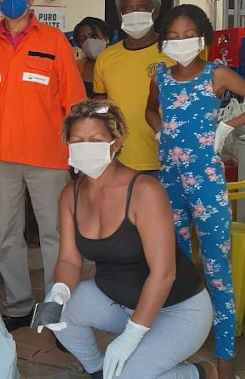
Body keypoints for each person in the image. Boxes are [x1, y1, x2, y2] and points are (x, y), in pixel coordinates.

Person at [44, 98, 214, 379]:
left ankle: (200, 373)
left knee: (127, 374)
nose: (86, 148)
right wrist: (58, 292)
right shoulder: (70, 195)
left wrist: (130, 338)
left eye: (95, 140)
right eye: (78, 141)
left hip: (178, 311)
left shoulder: (145, 191)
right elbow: (69, 259)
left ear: (116, 143)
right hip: (118, 303)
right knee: (60, 313)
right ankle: (98, 372)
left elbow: (164, 273)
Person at [0, 0, 86, 332]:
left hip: (48, 157)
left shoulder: (53, 42)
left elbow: (74, 101)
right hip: (0, 158)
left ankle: (56, 308)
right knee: (9, 236)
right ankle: (17, 307)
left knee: (54, 236)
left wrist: (78, 147)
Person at [145, 4, 245, 379]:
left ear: (202, 37)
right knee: (175, 268)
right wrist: (159, 131)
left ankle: (225, 363)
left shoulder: (215, 74)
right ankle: (178, 354)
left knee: (217, 271)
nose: (181, 41)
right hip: (169, 181)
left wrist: (227, 127)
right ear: (163, 40)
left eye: (189, 35)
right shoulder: (160, 76)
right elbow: (149, 111)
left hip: (207, 183)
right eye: (173, 35)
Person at [93, 0, 175, 176]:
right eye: (127, 9)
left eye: (141, 8)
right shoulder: (106, 57)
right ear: (120, 14)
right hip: (118, 160)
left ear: (155, 11)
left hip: (166, 159)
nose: (133, 14)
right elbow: (99, 105)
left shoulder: (173, 53)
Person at [72, 17, 112, 97]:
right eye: (83, 39)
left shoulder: (118, 62)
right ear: (79, 45)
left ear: (106, 37)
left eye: (93, 36)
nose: (89, 42)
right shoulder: (76, 67)